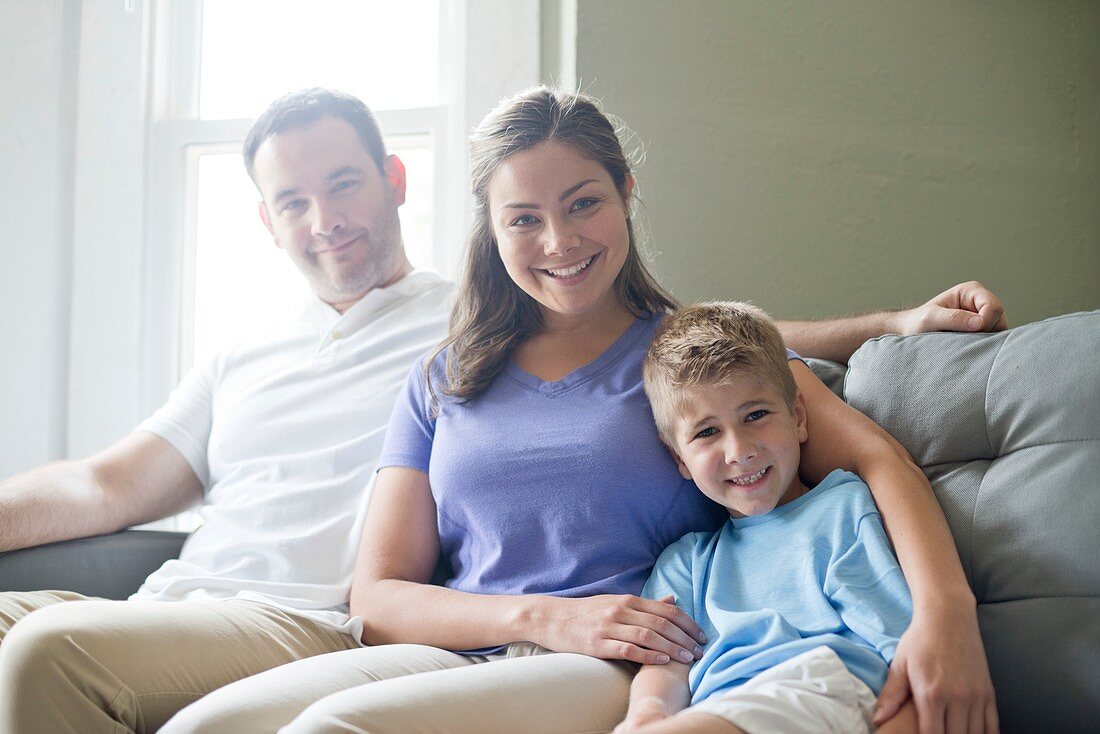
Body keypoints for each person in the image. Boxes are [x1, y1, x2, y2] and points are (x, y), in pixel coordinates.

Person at [157, 87, 1000, 734]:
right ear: (492, 229)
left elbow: (874, 460)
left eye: (584, 203)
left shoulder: (689, 360)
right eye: (524, 219)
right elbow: (376, 596)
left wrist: (946, 616)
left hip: (612, 662)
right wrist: (540, 615)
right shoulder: (441, 380)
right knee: (207, 727)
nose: (559, 242)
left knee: (332, 730)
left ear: (626, 191)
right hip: (447, 650)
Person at [0, 88, 454, 733]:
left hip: (311, 625)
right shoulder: (246, 351)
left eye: (344, 183)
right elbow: (104, 485)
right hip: (163, 609)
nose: (324, 218)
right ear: (268, 222)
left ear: (394, 179)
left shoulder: (470, 325)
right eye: (293, 202)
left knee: (51, 650)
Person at [613, 300, 915, 734]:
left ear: (797, 417)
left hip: (822, 685)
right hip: (719, 706)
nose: (739, 451)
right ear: (680, 458)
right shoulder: (686, 562)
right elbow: (665, 669)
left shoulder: (841, 508)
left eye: (755, 415)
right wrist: (648, 714)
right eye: (707, 432)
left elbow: (896, 644)